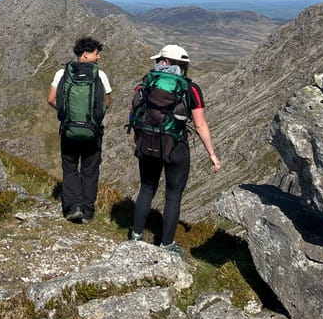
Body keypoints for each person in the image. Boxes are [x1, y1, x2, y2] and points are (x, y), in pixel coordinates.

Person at [128, 44, 220, 256]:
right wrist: (212, 155)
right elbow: (200, 125)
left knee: (146, 188)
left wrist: (138, 139)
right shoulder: (191, 88)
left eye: (159, 59)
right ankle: (166, 244)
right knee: (173, 196)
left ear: (166, 62)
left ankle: (136, 237)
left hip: (148, 142)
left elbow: (134, 112)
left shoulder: (146, 82)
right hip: (176, 146)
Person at [47, 36, 112, 223]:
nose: (98, 57)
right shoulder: (100, 75)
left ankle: (73, 207)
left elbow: (51, 99)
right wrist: (91, 116)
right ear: (85, 54)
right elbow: (106, 103)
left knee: (70, 168)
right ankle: (88, 212)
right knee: (90, 171)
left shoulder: (62, 74)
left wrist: (67, 114)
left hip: (69, 130)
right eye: (96, 53)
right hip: (92, 132)